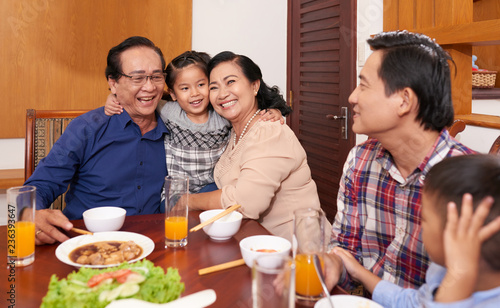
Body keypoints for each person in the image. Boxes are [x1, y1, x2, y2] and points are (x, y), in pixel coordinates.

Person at [325, 30, 476, 291]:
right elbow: (345, 250)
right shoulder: (359, 161)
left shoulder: (469, 183)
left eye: (363, 85)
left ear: (404, 100)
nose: (352, 97)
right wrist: (331, 265)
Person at [25, 36, 169, 245]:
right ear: (113, 83)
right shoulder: (87, 128)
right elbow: (40, 184)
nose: (149, 87)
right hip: (86, 244)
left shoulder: (177, 128)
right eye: (137, 78)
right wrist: (28, 214)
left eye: (156, 77)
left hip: (153, 244)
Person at [333, 154, 500, 308]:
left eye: (424, 219)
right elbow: (416, 305)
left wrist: (458, 276)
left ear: (453, 235)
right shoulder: (440, 271)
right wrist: (358, 272)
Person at [188, 51, 330, 241]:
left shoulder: (269, 132)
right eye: (214, 87)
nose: (222, 94)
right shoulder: (235, 132)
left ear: (254, 85)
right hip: (257, 245)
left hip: (299, 252)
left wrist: (187, 200)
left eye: (231, 82)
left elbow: (245, 203)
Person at [105, 51, 284, 195]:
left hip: (212, 186)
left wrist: (275, 111)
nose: (195, 94)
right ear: (173, 94)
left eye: (201, 84)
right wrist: (113, 97)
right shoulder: (169, 111)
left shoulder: (222, 113)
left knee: (221, 202)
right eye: (184, 88)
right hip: (177, 190)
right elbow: (142, 98)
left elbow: (248, 110)